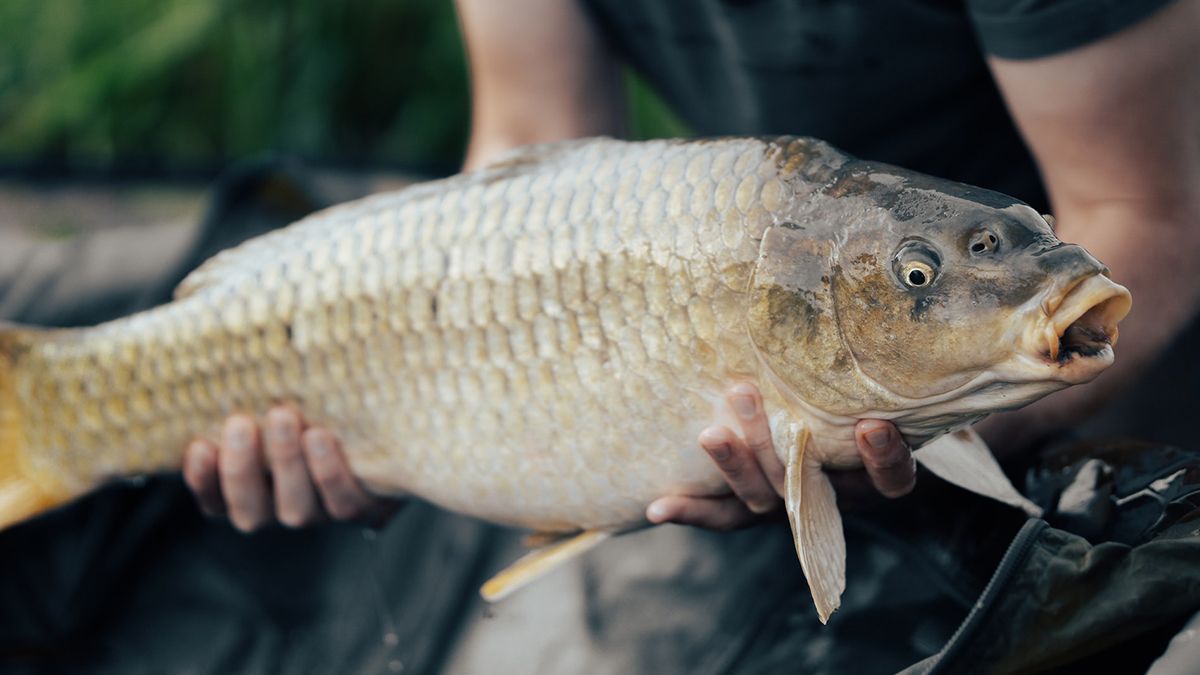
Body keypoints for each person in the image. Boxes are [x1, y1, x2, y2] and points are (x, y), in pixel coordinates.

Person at [184, 0, 1200, 534]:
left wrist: (905, 431)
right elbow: (533, 143)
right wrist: (400, 427)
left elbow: (1143, 213)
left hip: (1080, 357)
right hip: (759, 293)